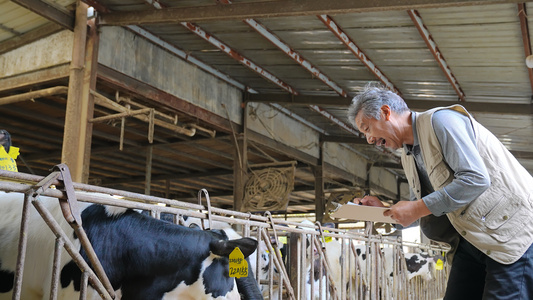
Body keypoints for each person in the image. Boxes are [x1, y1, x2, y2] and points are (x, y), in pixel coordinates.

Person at [347, 83, 533, 300]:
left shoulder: (441, 121)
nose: (369, 140)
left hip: (511, 232)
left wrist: (416, 208)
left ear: (386, 112)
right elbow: (425, 210)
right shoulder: (408, 156)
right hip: (473, 238)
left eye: (367, 128)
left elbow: (476, 179)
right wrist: (385, 212)